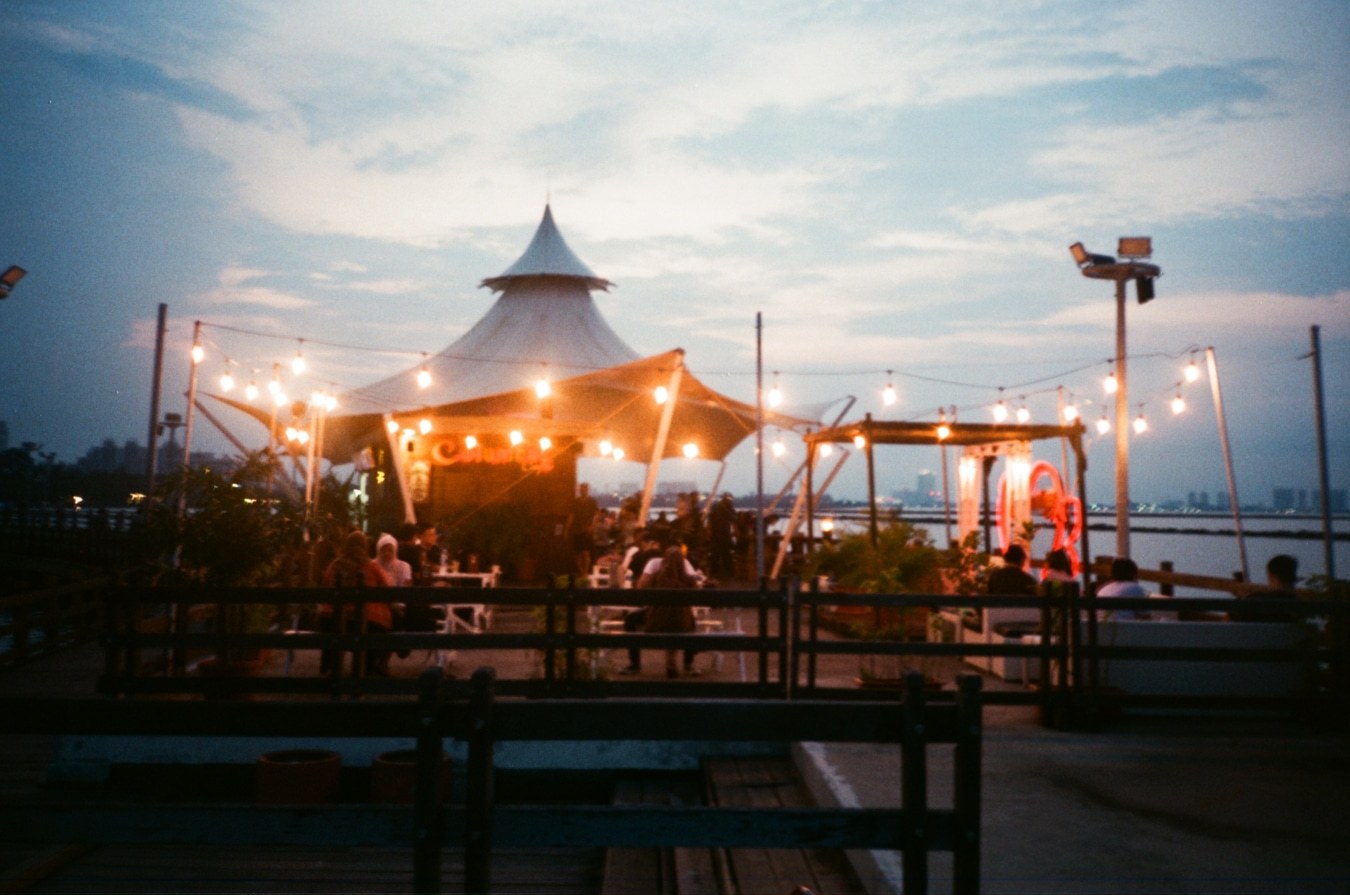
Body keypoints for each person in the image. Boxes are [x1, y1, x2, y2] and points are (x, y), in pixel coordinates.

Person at [320, 530, 394, 676]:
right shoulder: (371, 567)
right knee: (381, 628)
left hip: (331, 619)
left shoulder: (334, 565)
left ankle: (331, 664)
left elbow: (325, 587)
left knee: (335, 629)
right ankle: (370, 666)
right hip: (366, 621)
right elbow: (387, 591)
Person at [638, 545, 700, 679]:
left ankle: (636, 664)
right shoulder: (688, 580)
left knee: (668, 617)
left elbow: (642, 589)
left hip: (655, 623)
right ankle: (686, 664)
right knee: (689, 621)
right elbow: (697, 595)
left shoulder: (656, 577)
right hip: (681, 624)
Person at [1230, 555, 1301, 622]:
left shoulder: (1256, 600)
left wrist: (1241, 597)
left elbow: (1231, 618)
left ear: (1271, 575)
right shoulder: (1301, 607)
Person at [568, 483, 600, 575]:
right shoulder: (576, 502)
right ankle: (581, 572)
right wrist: (567, 529)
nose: (583, 491)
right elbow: (571, 516)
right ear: (579, 490)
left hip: (587, 530)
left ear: (588, 490)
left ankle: (585, 572)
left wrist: (592, 526)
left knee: (586, 553)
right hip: (576, 530)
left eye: (585, 489)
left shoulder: (592, 501)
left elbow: (597, 515)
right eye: (581, 489)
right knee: (577, 554)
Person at [708, 493, 736, 578]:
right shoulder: (720, 507)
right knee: (722, 553)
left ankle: (717, 571)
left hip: (720, 532)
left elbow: (733, 517)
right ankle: (725, 571)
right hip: (721, 532)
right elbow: (733, 518)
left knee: (719, 552)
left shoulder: (717, 506)